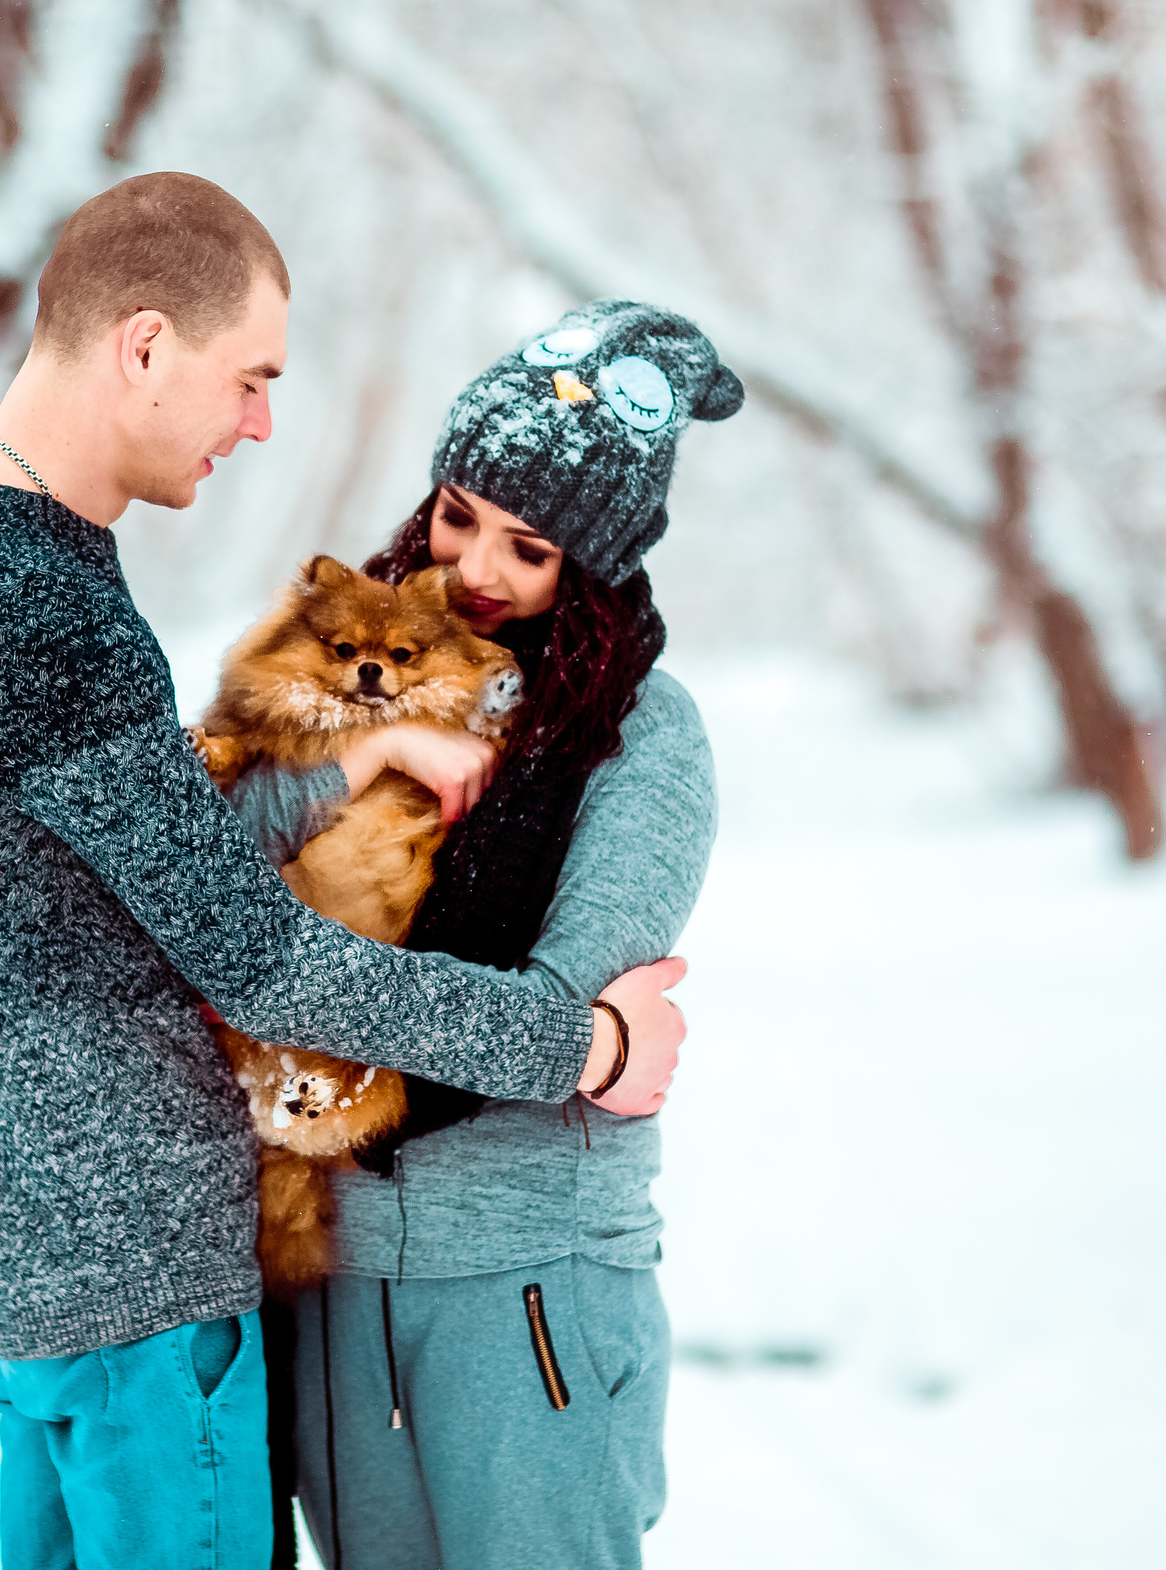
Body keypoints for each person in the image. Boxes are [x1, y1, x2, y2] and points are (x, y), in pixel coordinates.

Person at [0, 174, 689, 1570]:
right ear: (147, 343)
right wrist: (583, 1041)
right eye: (250, 379)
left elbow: (112, 863)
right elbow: (260, 958)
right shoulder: (44, 603)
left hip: (36, 1271)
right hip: (148, 1292)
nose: (262, 423)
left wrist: (341, 771)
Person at [222, 299, 742, 1570]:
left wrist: (292, 984)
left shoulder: (641, 736)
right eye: (458, 516)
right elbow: (194, 863)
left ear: (596, 564)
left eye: (531, 548)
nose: (474, 572)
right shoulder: (354, 662)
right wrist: (363, 756)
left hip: (525, 1281)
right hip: (340, 1278)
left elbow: (555, 1021)